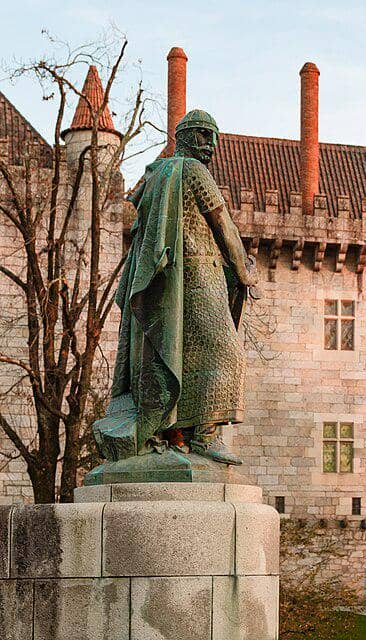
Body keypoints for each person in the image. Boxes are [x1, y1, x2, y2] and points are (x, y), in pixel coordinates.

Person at [93, 109, 256, 466]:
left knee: (173, 354)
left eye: (214, 136)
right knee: (225, 353)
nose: (211, 145)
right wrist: (245, 271)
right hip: (198, 279)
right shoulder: (194, 172)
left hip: (168, 286)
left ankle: (173, 433)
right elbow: (222, 222)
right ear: (184, 137)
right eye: (203, 135)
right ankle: (204, 435)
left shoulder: (154, 175)